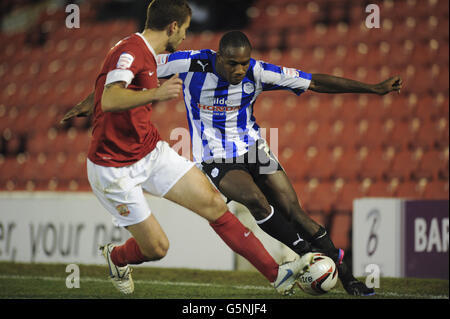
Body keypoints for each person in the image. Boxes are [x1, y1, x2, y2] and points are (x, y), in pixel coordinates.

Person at [62, 30, 403, 296]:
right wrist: (91, 101)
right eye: (232, 63)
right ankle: (303, 255)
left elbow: (314, 81)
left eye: (244, 63)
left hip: (254, 149)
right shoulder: (189, 63)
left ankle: (349, 278)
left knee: (295, 212)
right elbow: (130, 75)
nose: (240, 70)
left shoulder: (258, 72)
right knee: (256, 201)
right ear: (219, 57)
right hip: (215, 157)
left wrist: (372, 89)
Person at [79, 0, 313, 296]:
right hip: (113, 168)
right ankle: (116, 257)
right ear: (173, 27)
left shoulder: (150, 54)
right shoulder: (129, 52)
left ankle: (276, 275)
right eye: (186, 30)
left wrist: (85, 104)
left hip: (150, 152)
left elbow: (104, 90)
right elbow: (111, 99)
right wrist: (157, 93)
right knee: (157, 248)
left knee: (215, 205)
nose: (186, 37)